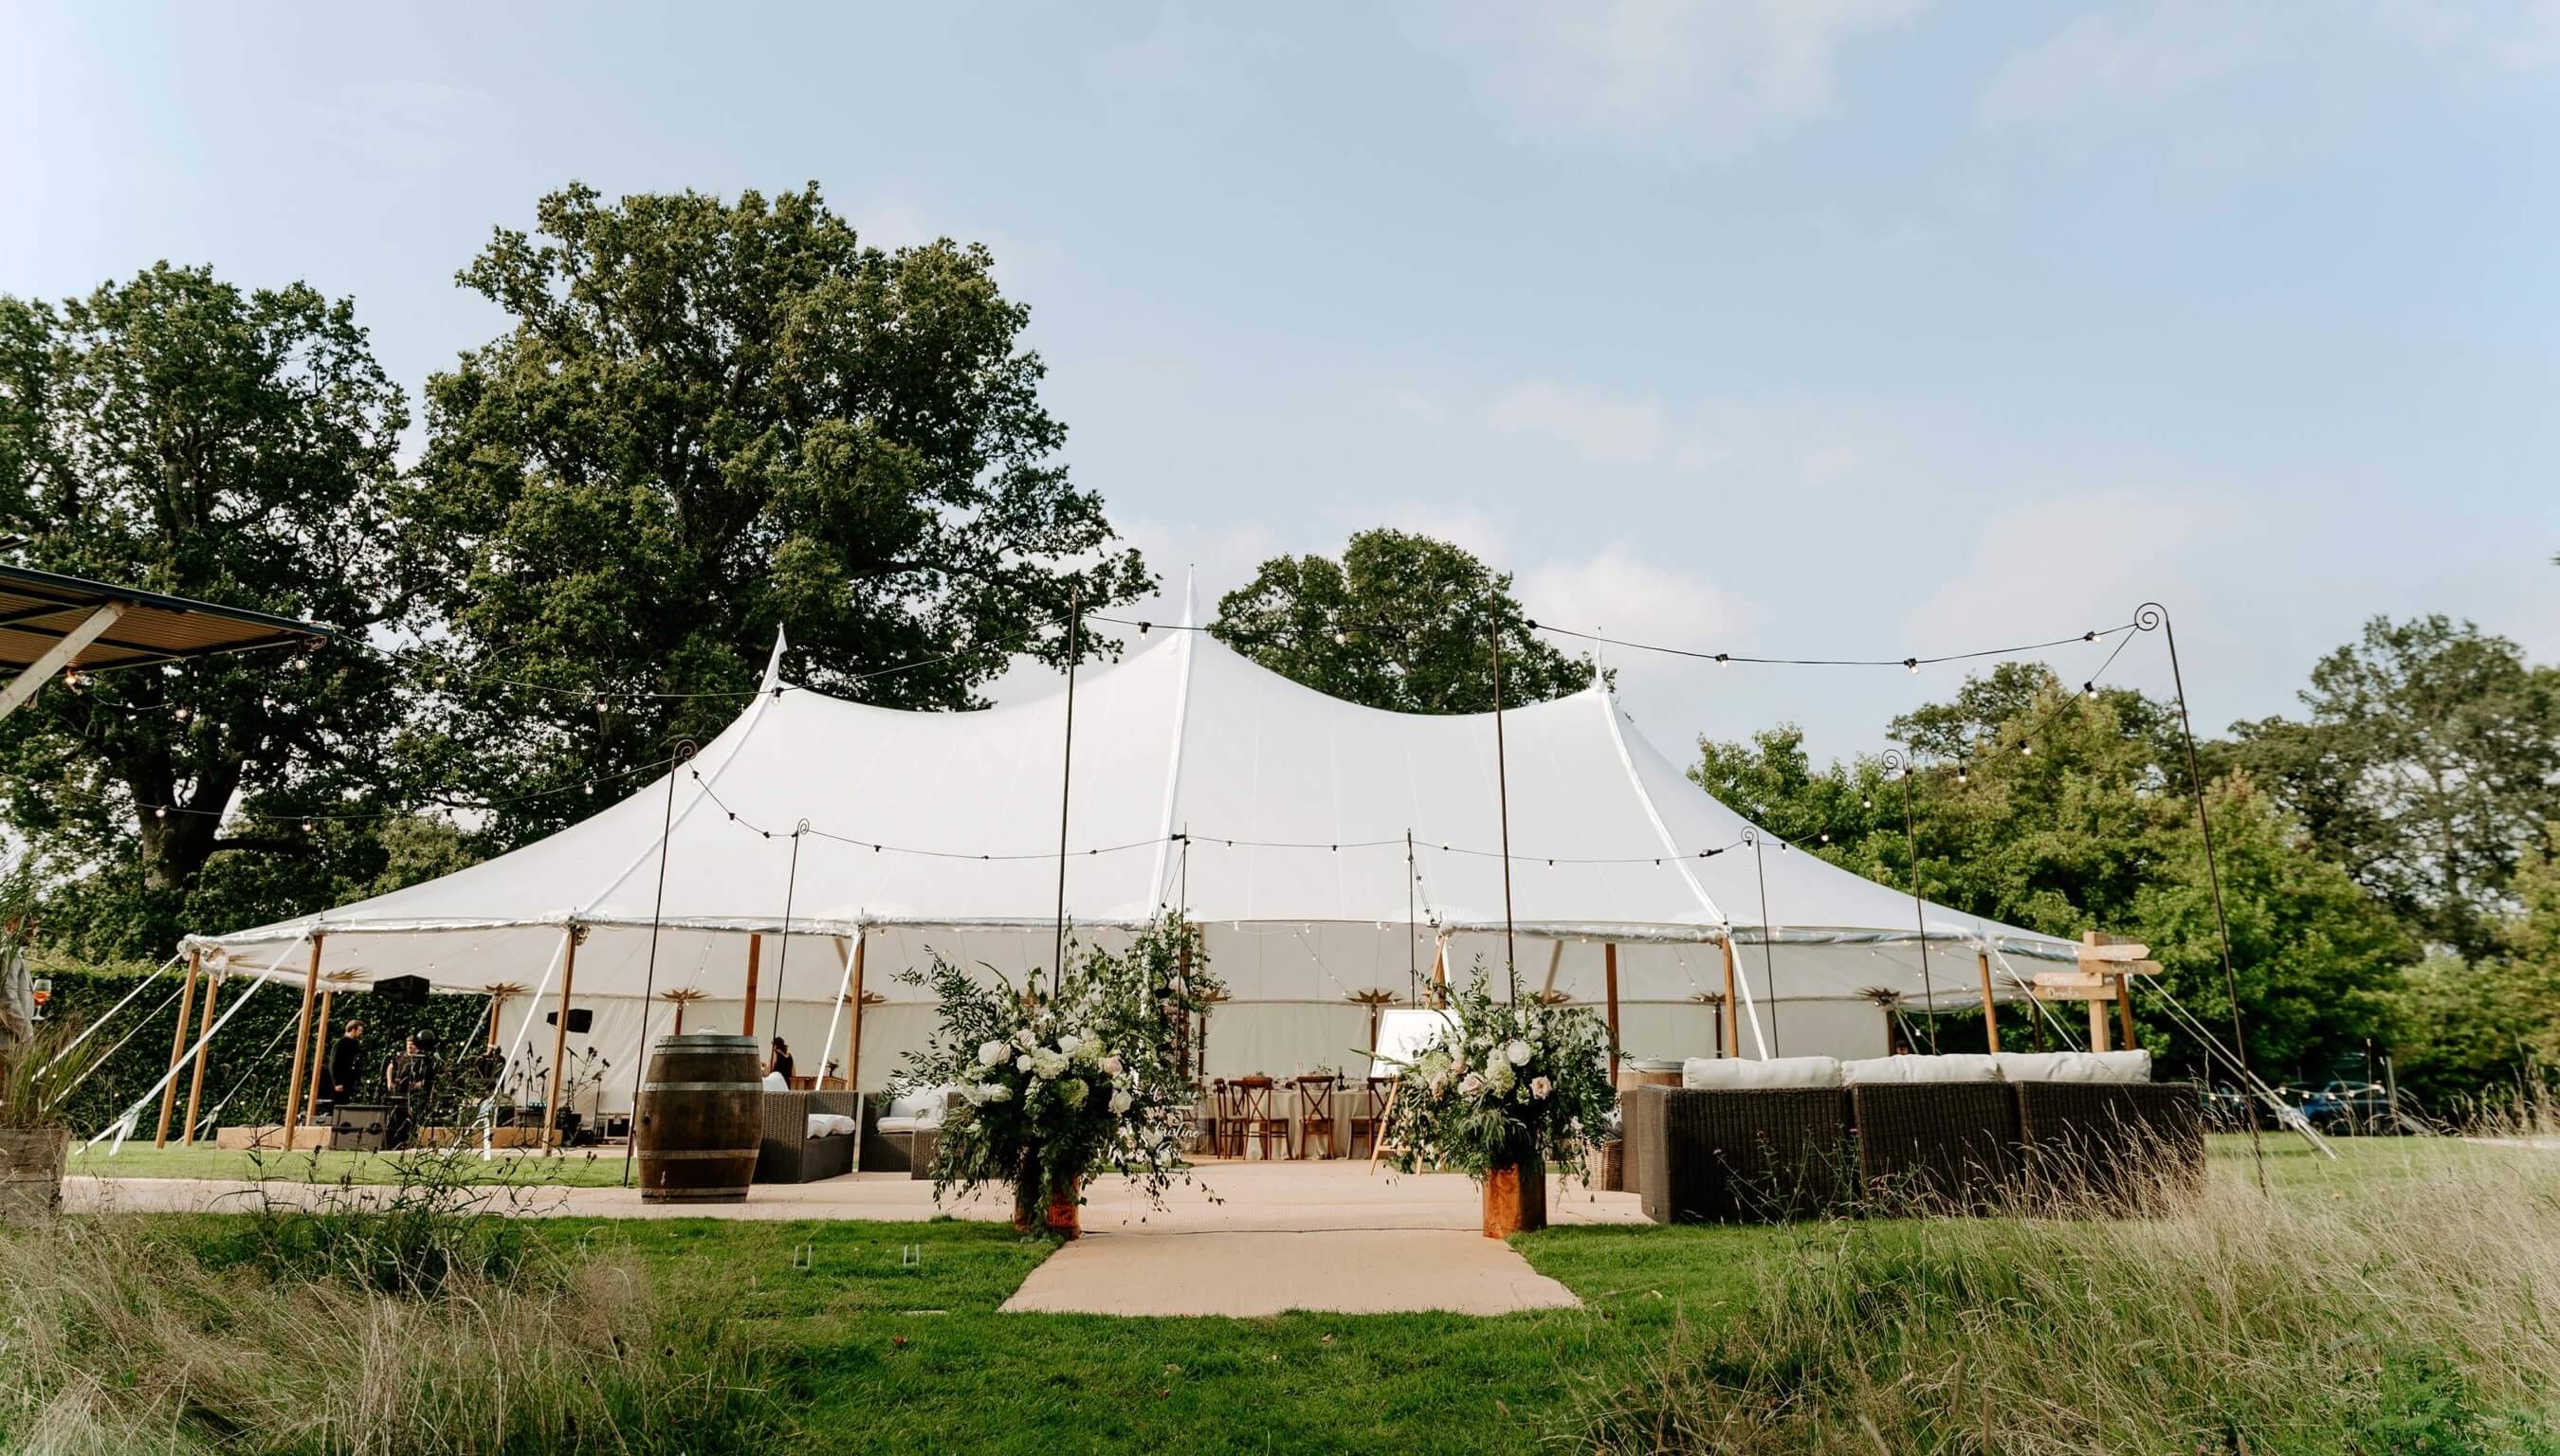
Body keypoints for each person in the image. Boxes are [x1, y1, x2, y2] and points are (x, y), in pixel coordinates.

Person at [383, 1030, 440, 1149]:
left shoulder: (424, 1059)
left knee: (411, 1118)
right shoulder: (400, 1055)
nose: (410, 1046)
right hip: (399, 1091)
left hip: (414, 1094)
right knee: (396, 1118)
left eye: (412, 1044)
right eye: (408, 1043)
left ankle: (409, 1141)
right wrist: (389, 1081)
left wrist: (421, 1083)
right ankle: (392, 1143)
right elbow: (390, 1067)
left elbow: (431, 1077)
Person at [320, 1020, 366, 1116]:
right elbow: (333, 1064)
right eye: (360, 1031)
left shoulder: (356, 1044)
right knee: (337, 1106)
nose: (361, 1033)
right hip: (340, 1083)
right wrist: (336, 1082)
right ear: (353, 1029)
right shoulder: (340, 1043)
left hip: (350, 1082)